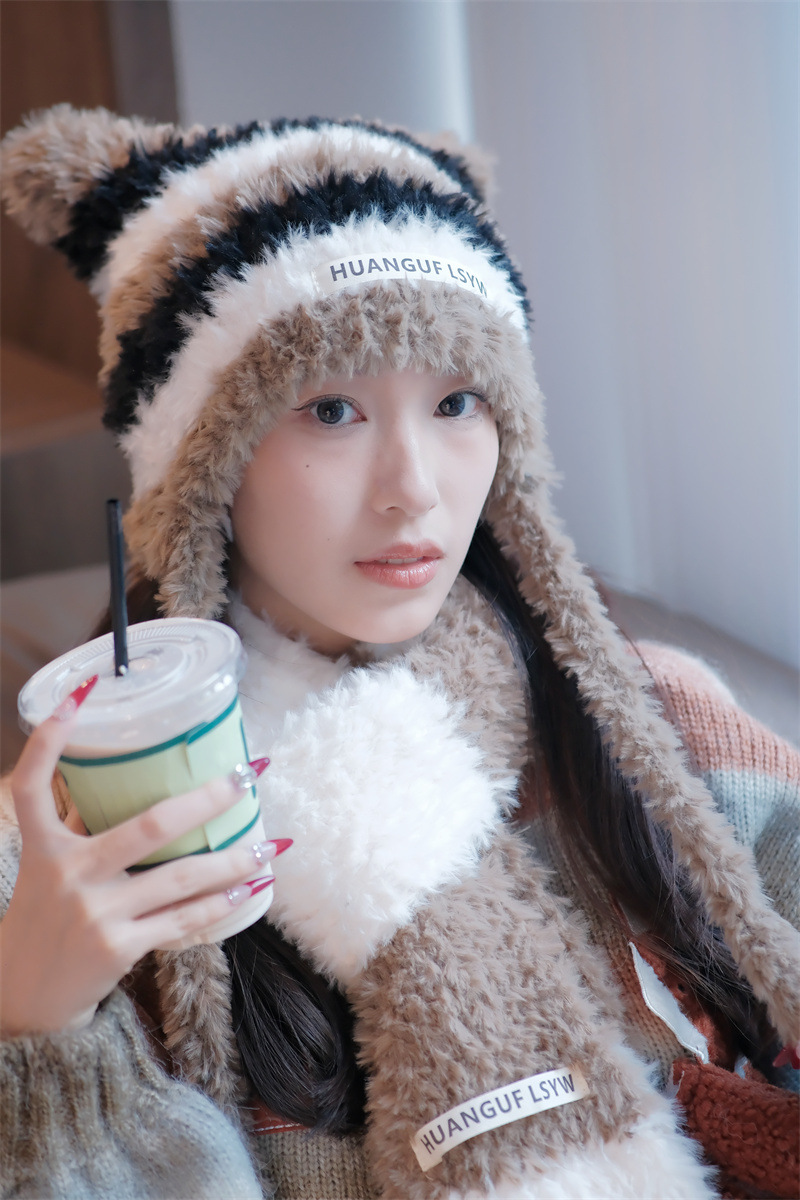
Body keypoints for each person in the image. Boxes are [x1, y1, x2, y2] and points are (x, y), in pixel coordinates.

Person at [0, 108, 797, 1200]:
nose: (415, 488)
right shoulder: (56, 867)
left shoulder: (655, 721)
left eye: (457, 401)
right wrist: (38, 1034)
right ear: (202, 466)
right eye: (331, 409)